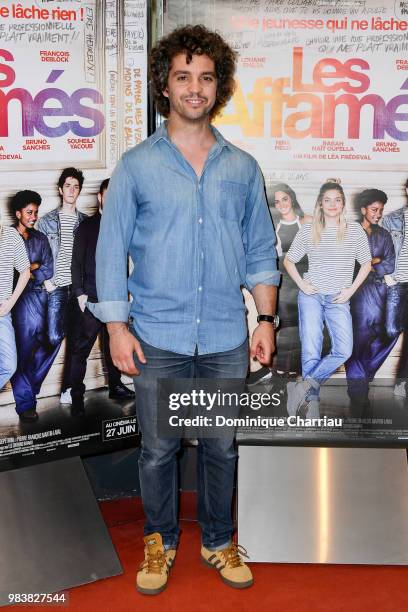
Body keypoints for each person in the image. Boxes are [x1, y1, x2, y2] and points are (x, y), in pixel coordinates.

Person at [90, 25, 280, 595]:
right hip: (157, 337)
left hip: (225, 335)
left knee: (221, 446)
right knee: (158, 450)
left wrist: (265, 319)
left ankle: (219, 541)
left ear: (217, 86)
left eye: (205, 77)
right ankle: (160, 540)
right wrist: (116, 330)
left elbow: (260, 250)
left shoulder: (243, 167)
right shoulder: (136, 165)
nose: (194, 88)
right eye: (182, 77)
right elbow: (110, 249)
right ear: (164, 86)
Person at [284, 182, 371, 417]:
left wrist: (350, 291)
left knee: (344, 349)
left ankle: (302, 386)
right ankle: (311, 400)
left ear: (343, 203)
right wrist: (303, 284)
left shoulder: (354, 231)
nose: (332, 204)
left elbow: (366, 263)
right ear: (320, 204)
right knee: (311, 349)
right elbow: (289, 261)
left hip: (338, 297)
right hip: (311, 296)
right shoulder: (309, 229)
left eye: (337, 200)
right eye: (327, 200)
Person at [65, 178, 134, 416]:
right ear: (100, 197)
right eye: (108, 194)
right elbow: (75, 263)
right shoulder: (87, 226)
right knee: (80, 350)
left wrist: (126, 292)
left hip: (115, 299)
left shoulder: (122, 225)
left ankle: (115, 386)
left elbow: (122, 262)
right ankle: (76, 397)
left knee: (112, 345)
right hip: (92, 300)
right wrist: (80, 294)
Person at [37, 167, 87, 403]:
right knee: (55, 336)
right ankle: (29, 381)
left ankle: (68, 389)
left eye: (76, 186)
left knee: (76, 342)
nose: (72, 190)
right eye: (68, 185)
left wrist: (85, 289)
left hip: (77, 290)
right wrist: (46, 282)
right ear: (60, 189)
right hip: (56, 288)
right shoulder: (46, 222)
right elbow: (36, 254)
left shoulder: (85, 222)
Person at [345, 189, 398, 406]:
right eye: (374, 209)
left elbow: (390, 264)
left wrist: (372, 262)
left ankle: (362, 378)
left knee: (389, 332)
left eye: (381, 210)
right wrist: (371, 262)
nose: (378, 214)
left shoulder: (383, 235)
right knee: (357, 340)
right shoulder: (348, 230)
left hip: (378, 292)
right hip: (353, 292)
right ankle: (358, 390)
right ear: (363, 209)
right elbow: (345, 262)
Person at [9, 191, 55, 422]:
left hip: (42, 298)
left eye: (36, 212)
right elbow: (9, 272)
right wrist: (31, 267)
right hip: (19, 301)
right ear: (18, 213)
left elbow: (49, 269)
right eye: (29, 212)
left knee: (53, 339)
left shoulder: (41, 239)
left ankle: (30, 385)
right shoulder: (7, 237)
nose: (34, 216)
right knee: (23, 349)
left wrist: (32, 267)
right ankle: (26, 402)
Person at [269, 183, 312, 374]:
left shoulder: (307, 221)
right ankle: (280, 375)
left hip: (306, 283)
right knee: (285, 329)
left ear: (291, 198)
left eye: (284, 199)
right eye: (276, 202)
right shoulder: (273, 228)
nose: (281, 204)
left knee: (306, 328)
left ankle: (298, 373)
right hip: (284, 286)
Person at [382, 178, 408, 397]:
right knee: (390, 330)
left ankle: (403, 382)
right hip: (397, 283)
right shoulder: (392, 220)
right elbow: (381, 251)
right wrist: (387, 277)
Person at [0, 215, 30, 392]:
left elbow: (25, 272)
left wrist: (10, 303)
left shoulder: (10, 236)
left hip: (2, 312)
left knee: (9, 365)